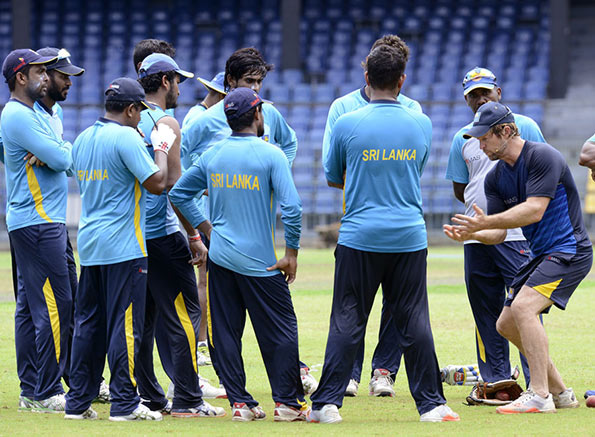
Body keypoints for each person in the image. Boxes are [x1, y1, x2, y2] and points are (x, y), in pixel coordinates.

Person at [309, 45, 459, 424]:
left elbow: (332, 176)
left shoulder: (346, 123)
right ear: (402, 80)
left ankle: (327, 405)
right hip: (408, 236)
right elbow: (417, 167)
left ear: (366, 79)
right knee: (414, 319)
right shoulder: (420, 122)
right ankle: (432, 406)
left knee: (347, 318)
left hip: (359, 235)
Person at [181, 47, 317, 394]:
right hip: (220, 226)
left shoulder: (268, 114)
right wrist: (202, 213)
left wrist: (275, 175)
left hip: (257, 225)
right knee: (225, 314)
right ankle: (244, 389)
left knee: (250, 314)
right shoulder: (205, 122)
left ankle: (257, 389)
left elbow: (290, 142)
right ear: (230, 82)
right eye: (249, 82)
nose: (256, 89)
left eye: (259, 82)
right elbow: (183, 162)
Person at [444, 101, 589, 414]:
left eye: (485, 138)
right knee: (506, 324)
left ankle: (540, 395)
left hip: (569, 250)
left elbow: (534, 210)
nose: (480, 146)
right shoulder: (496, 177)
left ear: (506, 131)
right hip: (542, 255)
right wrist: (473, 233)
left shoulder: (542, 156)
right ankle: (561, 392)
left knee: (523, 308)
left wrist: (486, 222)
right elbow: (497, 234)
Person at [64, 78, 172, 421]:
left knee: (87, 324)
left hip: (91, 243)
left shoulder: (83, 138)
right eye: (139, 111)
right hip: (124, 246)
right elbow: (157, 184)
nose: (141, 118)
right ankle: (125, 402)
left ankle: (77, 403)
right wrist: (161, 148)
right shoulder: (126, 137)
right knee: (126, 326)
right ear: (129, 109)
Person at [322, 33, 422, 398]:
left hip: (384, 223)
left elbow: (410, 170)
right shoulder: (342, 109)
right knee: (356, 307)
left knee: (396, 308)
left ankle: (384, 370)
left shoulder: (414, 111)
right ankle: (348, 373)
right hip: (359, 220)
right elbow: (331, 172)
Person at [131, 38, 223, 398]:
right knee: (185, 315)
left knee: (145, 320)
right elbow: (175, 186)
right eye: (178, 81)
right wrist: (196, 235)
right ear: (166, 81)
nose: (181, 88)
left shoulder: (129, 119)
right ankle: (188, 395)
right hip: (164, 234)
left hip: (135, 237)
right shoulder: (167, 120)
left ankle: (148, 394)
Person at [444, 67, 546, 389]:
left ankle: (536, 382)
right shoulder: (463, 137)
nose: (480, 98)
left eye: (485, 92)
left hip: (517, 234)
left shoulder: (525, 126)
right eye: (473, 95)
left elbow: (542, 170)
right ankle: (498, 382)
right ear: (466, 101)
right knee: (484, 309)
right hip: (476, 238)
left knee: (524, 308)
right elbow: (461, 188)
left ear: (498, 93)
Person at [1, 48, 73, 413]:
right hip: (39, 221)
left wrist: (57, 150)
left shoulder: (31, 114)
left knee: (30, 309)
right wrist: (59, 151)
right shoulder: (17, 115)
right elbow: (64, 159)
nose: (46, 78)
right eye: (39, 73)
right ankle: (46, 391)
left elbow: (60, 155)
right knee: (55, 306)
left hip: (37, 221)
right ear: (21, 77)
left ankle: (31, 389)